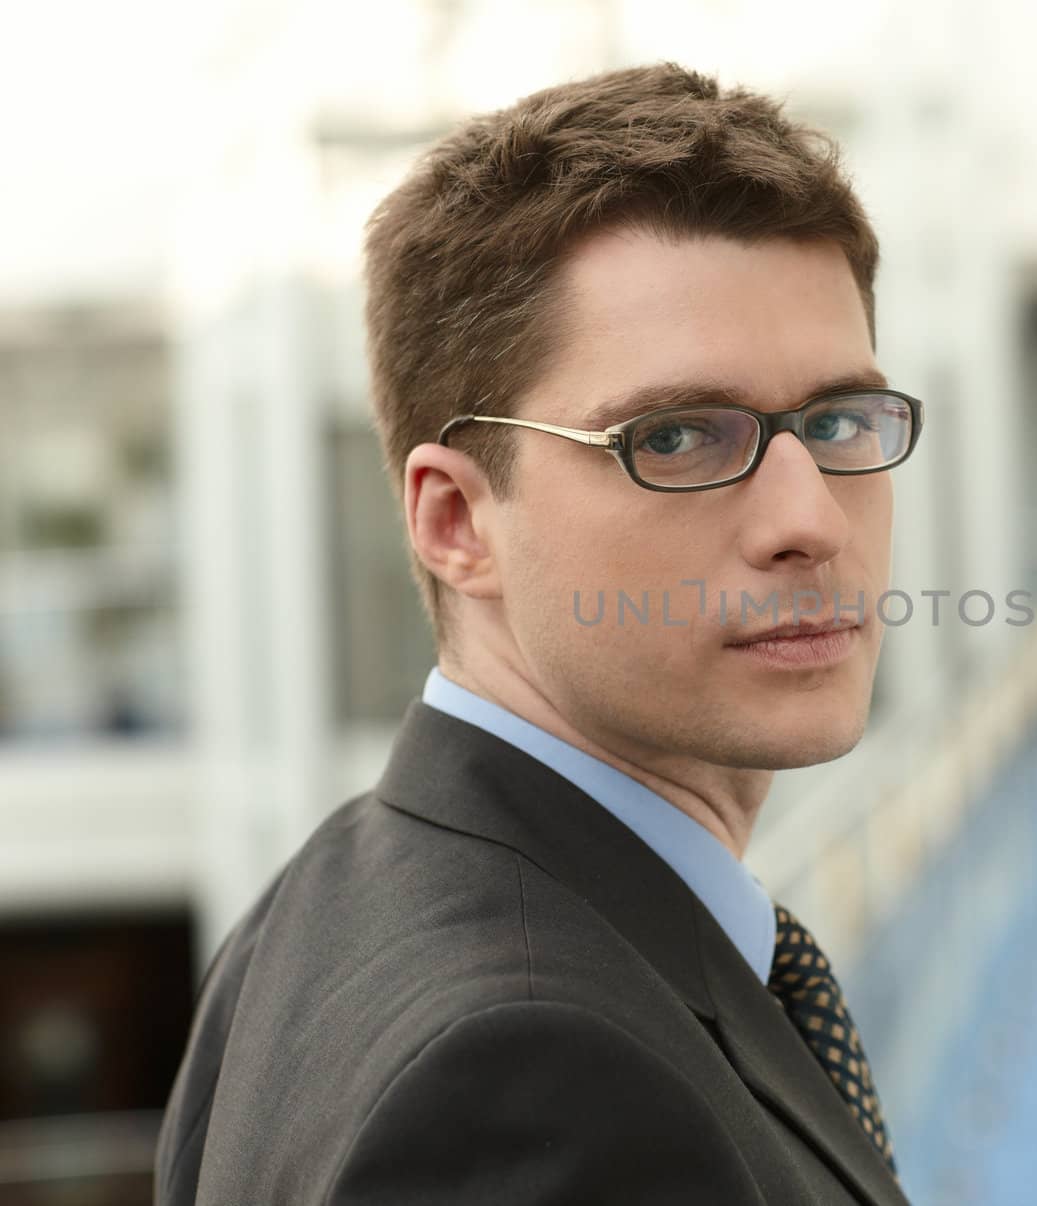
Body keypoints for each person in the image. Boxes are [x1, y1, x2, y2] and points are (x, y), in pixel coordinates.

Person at [155, 61, 923, 1204]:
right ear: (458, 520)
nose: (809, 521)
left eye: (838, 420)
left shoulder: (321, 903)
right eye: (674, 439)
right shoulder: (531, 1077)